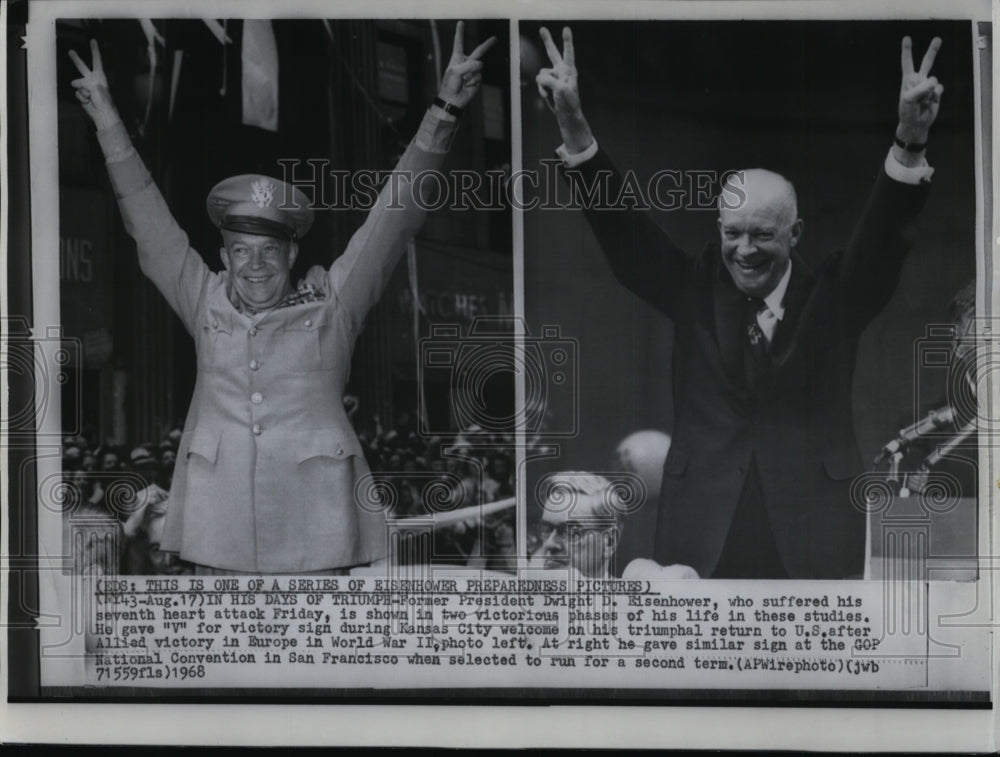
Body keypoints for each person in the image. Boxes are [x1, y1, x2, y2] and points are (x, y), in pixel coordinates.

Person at [68, 23, 496, 574]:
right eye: (241, 251)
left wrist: (444, 112)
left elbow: (393, 219)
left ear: (293, 255)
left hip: (318, 534)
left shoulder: (333, 305)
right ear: (222, 257)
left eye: (270, 250)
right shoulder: (204, 302)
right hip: (217, 535)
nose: (255, 265)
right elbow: (149, 224)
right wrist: (106, 120)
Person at [536, 28, 944, 579]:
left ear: (795, 233)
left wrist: (909, 142)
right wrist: (575, 131)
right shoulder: (695, 287)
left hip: (812, 531)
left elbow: (882, 242)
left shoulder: (833, 296)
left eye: (762, 235)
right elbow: (626, 238)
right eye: (732, 233)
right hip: (701, 530)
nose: (744, 251)